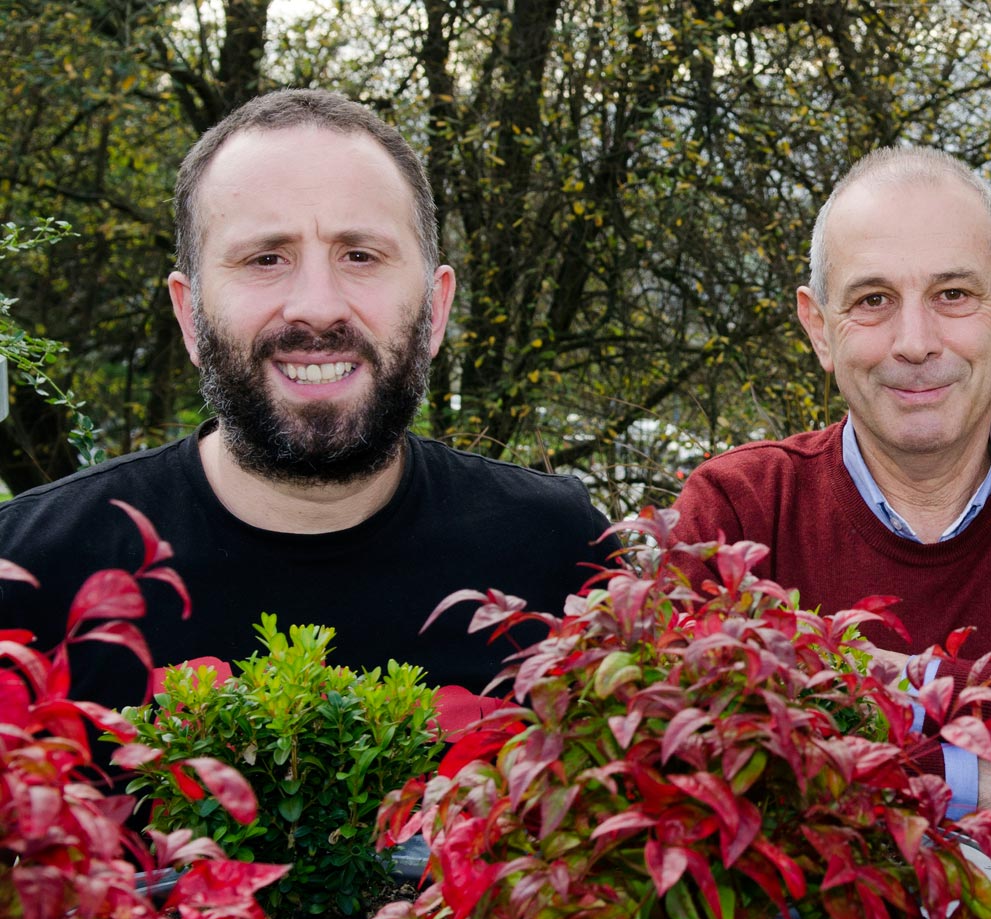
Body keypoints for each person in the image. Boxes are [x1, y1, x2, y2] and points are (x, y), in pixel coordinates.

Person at [0, 89, 618, 713]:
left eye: (359, 255)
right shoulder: (26, 576)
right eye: (266, 259)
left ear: (435, 309)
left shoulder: (565, 560)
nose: (318, 306)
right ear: (190, 316)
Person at [671, 147, 991, 816]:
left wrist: (905, 681)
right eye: (873, 300)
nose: (914, 341)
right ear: (819, 328)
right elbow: (694, 784)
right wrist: (977, 781)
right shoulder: (739, 516)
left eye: (953, 295)